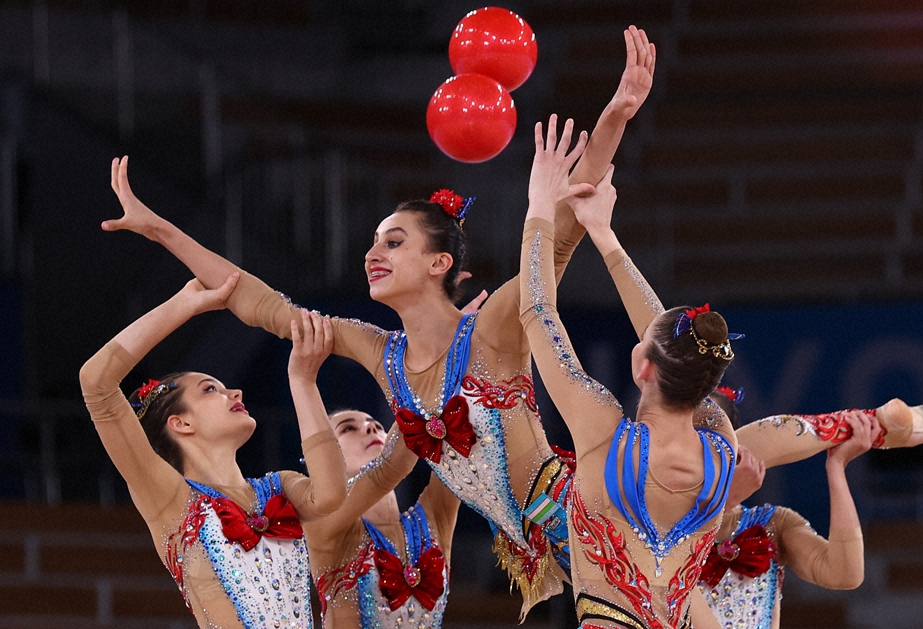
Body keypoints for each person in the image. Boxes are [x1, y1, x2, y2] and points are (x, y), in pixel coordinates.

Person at [101, 26, 658, 616]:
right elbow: (261, 306)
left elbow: (563, 234)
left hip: (593, 518)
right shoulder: (379, 353)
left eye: (394, 242)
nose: (373, 253)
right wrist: (163, 232)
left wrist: (618, 114)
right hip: (564, 554)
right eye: (373, 242)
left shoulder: (492, 328)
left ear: (440, 263)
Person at [521, 115, 737, 629]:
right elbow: (676, 349)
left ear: (642, 366)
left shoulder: (601, 430)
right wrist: (603, 234)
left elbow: (537, 313)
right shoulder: (721, 445)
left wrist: (540, 206)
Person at [79, 276, 349, 629]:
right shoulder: (170, 498)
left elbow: (331, 494)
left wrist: (303, 381)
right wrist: (183, 306)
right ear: (181, 423)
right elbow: (96, 382)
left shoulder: (279, 488)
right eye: (211, 389)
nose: (236, 393)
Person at [690, 390, 876, 629]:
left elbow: (845, 574)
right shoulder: (657, 526)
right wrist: (726, 498)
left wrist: (837, 467)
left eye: (707, 437)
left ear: (736, 446)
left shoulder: (773, 523)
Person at [306, 409, 460, 629]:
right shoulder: (320, 522)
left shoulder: (432, 521)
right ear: (323, 458)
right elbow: (392, 465)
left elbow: (459, 438)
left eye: (378, 426)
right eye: (348, 428)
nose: (371, 428)